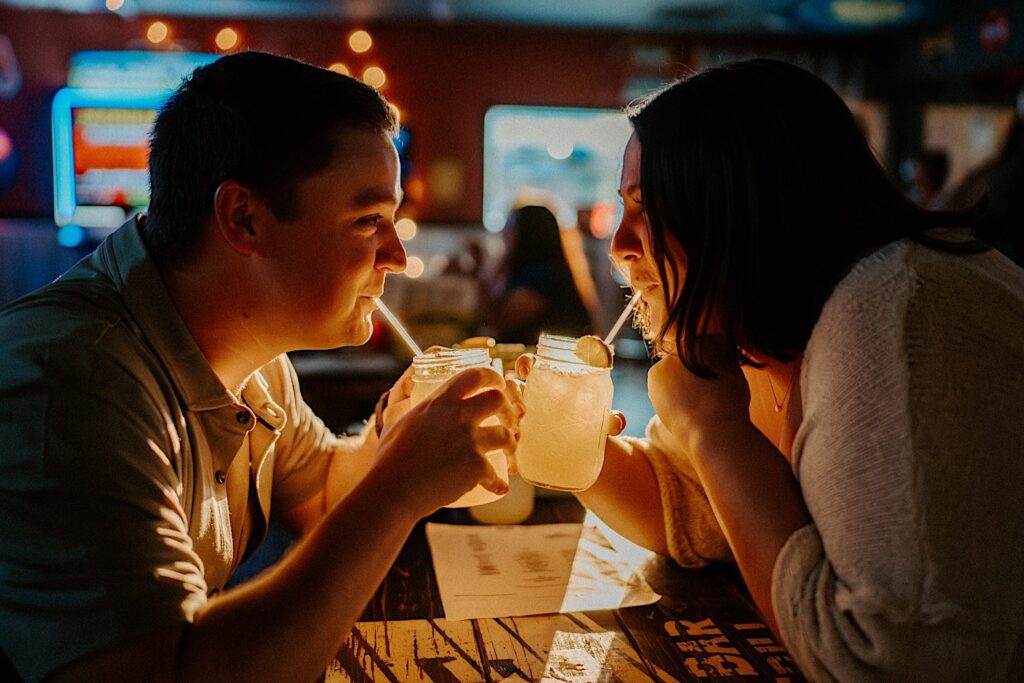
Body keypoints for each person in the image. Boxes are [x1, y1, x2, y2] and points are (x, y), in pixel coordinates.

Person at [0, 51, 517, 682]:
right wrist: (398, 487)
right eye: (367, 221)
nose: (399, 255)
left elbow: (323, 492)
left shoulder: (251, 354)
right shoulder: (74, 382)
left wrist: (395, 430)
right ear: (244, 218)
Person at [524, 58, 1023, 679]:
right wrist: (557, 433)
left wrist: (715, 432)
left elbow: (892, 662)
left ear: (735, 206)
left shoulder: (898, 317)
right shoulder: (762, 339)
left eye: (645, 207)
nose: (620, 243)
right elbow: (692, 507)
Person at [477, 204, 595, 344]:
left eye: (510, 225)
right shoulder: (536, 269)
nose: (504, 232)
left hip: (549, 362)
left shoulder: (546, 275)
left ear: (528, 232)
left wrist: (479, 271)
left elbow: (498, 321)